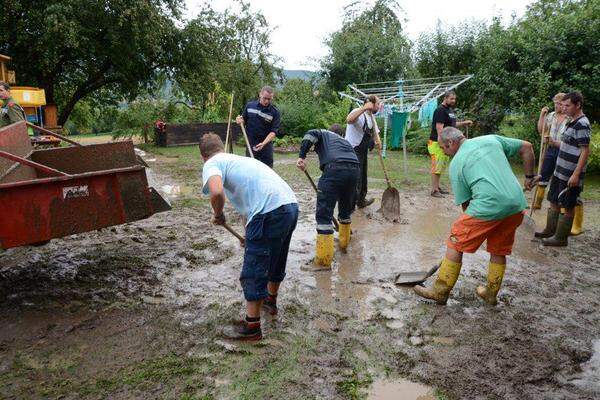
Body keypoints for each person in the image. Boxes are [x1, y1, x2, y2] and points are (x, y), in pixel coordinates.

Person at [414, 127, 536, 306]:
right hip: (516, 205)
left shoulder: (456, 164)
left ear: (451, 143)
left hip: (489, 205)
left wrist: (471, 236)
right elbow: (527, 147)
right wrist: (529, 176)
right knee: (498, 249)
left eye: (442, 147)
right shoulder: (491, 139)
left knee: (456, 240)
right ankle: (490, 293)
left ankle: (440, 291)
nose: (442, 151)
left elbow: (467, 205)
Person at [200, 133, 298, 341]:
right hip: (290, 205)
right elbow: (249, 204)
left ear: (203, 156)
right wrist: (248, 235)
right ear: (222, 148)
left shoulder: (212, 163)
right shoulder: (241, 161)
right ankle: (270, 302)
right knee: (277, 256)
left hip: (268, 211)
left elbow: (216, 193)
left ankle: (251, 327)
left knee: (253, 268)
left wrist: (218, 214)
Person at [296, 125, 360, 267]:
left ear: (330, 130)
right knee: (345, 210)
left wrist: (302, 156)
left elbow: (309, 134)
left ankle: (323, 261)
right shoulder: (345, 142)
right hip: (355, 170)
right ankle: (343, 243)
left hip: (334, 168)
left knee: (324, 215)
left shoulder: (323, 133)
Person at [535, 91, 590, 246]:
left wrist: (576, 174)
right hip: (559, 170)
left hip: (570, 173)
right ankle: (550, 230)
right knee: (553, 200)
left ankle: (561, 238)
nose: (564, 108)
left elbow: (585, 150)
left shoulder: (582, 124)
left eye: (568, 105)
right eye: (563, 105)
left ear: (578, 105)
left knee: (568, 204)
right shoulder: (572, 121)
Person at [428, 91, 473, 197]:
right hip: (437, 142)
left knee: (441, 166)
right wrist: (441, 143)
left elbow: (451, 124)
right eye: (451, 99)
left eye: (454, 99)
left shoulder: (449, 110)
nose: (453, 101)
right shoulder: (440, 110)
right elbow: (439, 128)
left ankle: (437, 187)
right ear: (445, 98)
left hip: (445, 143)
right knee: (437, 166)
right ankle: (434, 190)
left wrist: (464, 123)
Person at [532, 93, 569, 210]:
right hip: (549, 149)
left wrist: (555, 142)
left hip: (563, 151)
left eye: (559, 103)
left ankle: (562, 204)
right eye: (555, 103)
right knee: (543, 174)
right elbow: (540, 130)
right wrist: (542, 115)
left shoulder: (570, 118)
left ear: (564, 104)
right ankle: (537, 203)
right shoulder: (551, 115)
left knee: (561, 177)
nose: (556, 106)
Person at [345, 95, 382, 208]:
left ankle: (361, 201)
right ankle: (349, 206)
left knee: (363, 178)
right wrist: (364, 108)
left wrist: (378, 142)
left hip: (362, 151)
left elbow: (375, 133)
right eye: (378, 104)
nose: (379, 106)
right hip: (352, 150)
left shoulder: (371, 117)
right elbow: (349, 120)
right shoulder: (358, 111)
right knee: (355, 179)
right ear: (370, 103)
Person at [236, 86, 281, 168]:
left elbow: (273, 132)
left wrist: (263, 143)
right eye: (265, 98)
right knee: (251, 169)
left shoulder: (275, 112)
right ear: (260, 94)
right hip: (251, 144)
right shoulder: (250, 106)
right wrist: (239, 120)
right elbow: (243, 120)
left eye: (269, 99)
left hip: (266, 145)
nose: (267, 101)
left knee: (267, 170)